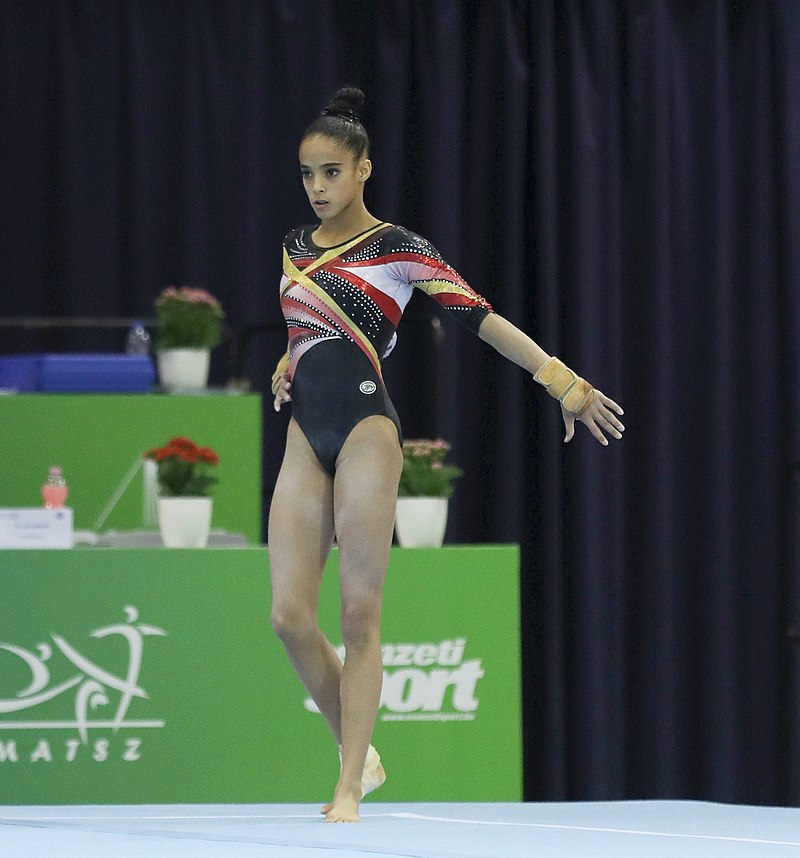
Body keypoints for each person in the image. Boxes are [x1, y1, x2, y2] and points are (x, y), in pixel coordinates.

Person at [268, 86, 624, 823]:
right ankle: (357, 749)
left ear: (364, 168)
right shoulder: (295, 248)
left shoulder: (399, 247)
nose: (317, 187)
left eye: (331, 172)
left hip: (367, 431)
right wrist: (285, 361)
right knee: (288, 617)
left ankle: (346, 786)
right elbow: (309, 328)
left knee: (358, 614)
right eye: (307, 174)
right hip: (306, 435)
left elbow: (480, 317)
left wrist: (561, 379)